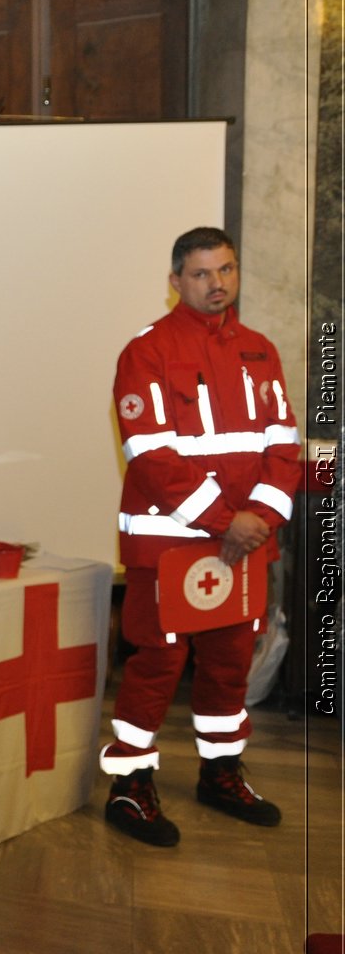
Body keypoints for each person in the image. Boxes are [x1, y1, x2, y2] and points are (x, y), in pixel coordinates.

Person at [101, 226, 300, 846]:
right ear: (175, 282)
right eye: (202, 273)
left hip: (244, 544)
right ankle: (130, 784)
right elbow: (150, 454)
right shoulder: (147, 352)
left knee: (229, 662)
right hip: (171, 545)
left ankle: (220, 771)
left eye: (227, 270)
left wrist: (260, 520)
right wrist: (226, 520)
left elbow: (283, 446)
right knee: (157, 663)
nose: (218, 284)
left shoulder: (262, 350)